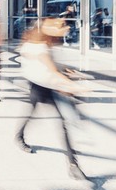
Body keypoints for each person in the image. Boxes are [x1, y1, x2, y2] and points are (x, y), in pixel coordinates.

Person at [16, 17, 89, 180]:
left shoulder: (33, 43)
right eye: (60, 27)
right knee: (49, 119)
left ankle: (72, 164)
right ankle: (72, 164)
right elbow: (51, 69)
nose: (63, 30)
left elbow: (49, 66)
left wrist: (65, 70)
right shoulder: (41, 48)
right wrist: (74, 86)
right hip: (41, 86)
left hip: (43, 84)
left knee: (52, 119)